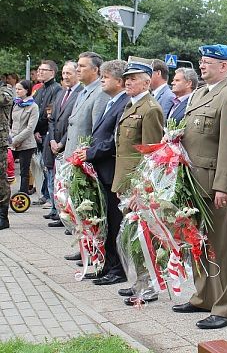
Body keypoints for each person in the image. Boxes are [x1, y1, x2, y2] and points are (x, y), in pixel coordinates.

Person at [171, 44, 227, 330]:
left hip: (214, 185)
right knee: (197, 241)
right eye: (201, 62)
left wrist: (224, 186)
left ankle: (226, 308)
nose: (202, 66)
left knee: (221, 247)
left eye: (208, 63)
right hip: (193, 181)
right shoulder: (200, 93)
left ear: (224, 66)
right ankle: (204, 296)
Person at [112, 58, 164, 306]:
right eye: (126, 78)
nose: (128, 82)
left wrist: (141, 189)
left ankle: (150, 285)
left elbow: (152, 154)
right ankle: (139, 281)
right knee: (134, 235)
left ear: (147, 81)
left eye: (133, 78)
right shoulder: (131, 105)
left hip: (138, 183)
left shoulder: (150, 108)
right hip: (125, 180)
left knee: (144, 236)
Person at [76, 60, 129, 286]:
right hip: (102, 170)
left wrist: (90, 153)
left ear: (119, 81)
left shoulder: (124, 103)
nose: (102, 80)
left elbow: (114, 141)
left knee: (115, 223)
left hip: (111, 170)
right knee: (106, 222)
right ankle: (107, 265)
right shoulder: (111, 102)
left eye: (106, 77)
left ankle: (118, 269)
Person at [49, 52, 108, 228]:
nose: (78, 69)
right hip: (73, 157)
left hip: (84, 160)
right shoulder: (83, 91)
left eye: (82, 66)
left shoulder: (100, 93)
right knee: (76, 206)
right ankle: (84, 245)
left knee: (87, 208)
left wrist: (87, 158)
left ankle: (90, 249)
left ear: (95, 70)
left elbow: (97, 131)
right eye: (78, 65)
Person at [42, 61, 83, 225]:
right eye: (64, 74)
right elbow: (52, 119)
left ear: (76, 74)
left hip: (68, 146)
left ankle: (68, 217)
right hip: (54, 144)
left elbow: (74, 123)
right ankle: (60, 214)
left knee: (67, 183)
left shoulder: (80, 93)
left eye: (69, 73)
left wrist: (61, 143)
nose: (65, 77)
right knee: (58, 182)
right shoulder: (61, 93)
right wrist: (52, 139)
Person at [33, 60, 62, 206]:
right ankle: (45, 193)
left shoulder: (56, 89)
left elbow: (49, 113)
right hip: (38, 132)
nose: (40, 72)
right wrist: (35, 130)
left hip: (48, 133)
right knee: (42, 166)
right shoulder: (39, 89)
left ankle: (51, 198)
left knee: (49, 166)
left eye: (43, 70)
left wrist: (40, 129)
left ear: (52, 72)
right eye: (39, 69)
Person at [10, 80, 39, 195]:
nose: (17, 91)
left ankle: (23, 194)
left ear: (27, 90)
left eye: (20, 89)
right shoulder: (15, 104)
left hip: (26, 144)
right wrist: (10, 138)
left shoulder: (33, 106)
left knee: (24, 171)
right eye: (16, 89)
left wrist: (16, 140)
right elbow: (11, 122)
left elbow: (30, 128)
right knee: (7, 167)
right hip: (12, 142)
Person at [0, 80, 13, 230]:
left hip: (0, 143)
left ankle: (3, 216)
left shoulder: (5, 90)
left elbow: (5, 99)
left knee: (1, 178)